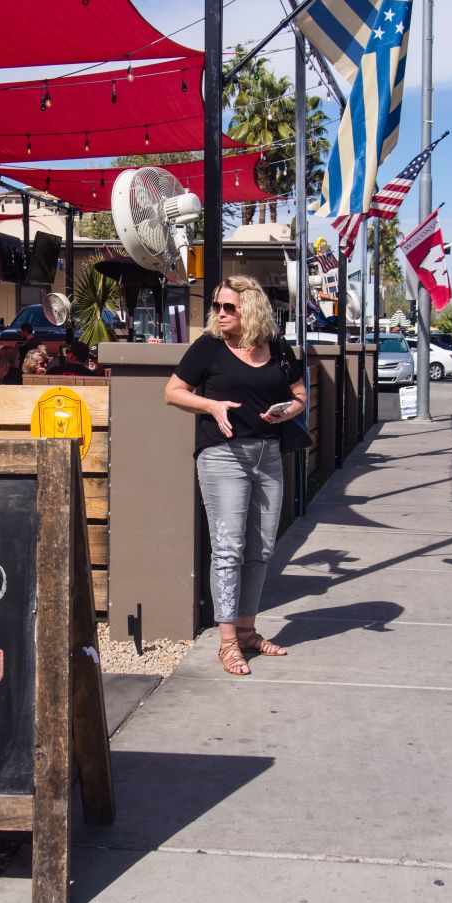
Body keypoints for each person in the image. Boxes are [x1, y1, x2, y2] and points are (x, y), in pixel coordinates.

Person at [165, 275, 307, 677]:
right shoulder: (209, 348)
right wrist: (211, 406)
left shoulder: (278, 348)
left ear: (252, 309)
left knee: (260, 549)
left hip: (269, 456)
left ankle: (247, 631)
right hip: (223, 457)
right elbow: (172, 391)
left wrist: (286, 411)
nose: (220, 314)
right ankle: (227, 642)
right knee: (227, 548)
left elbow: (300, 396)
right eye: (217, 306)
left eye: (229, 307)